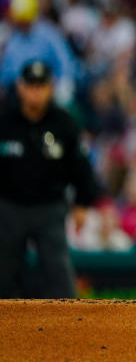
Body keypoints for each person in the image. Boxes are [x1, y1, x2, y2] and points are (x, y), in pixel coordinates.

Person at [0, 60, 99, 297]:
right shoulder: (4, 121)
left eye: (41, 85)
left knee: (58, 272)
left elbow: (80, 165)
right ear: (20, 87)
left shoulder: (63, 122)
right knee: (4, 273)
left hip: (50, 208)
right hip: (9, 208)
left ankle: (68, 327)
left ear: (50, 88)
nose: (35, 91)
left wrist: (83, 203)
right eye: (30, 85)